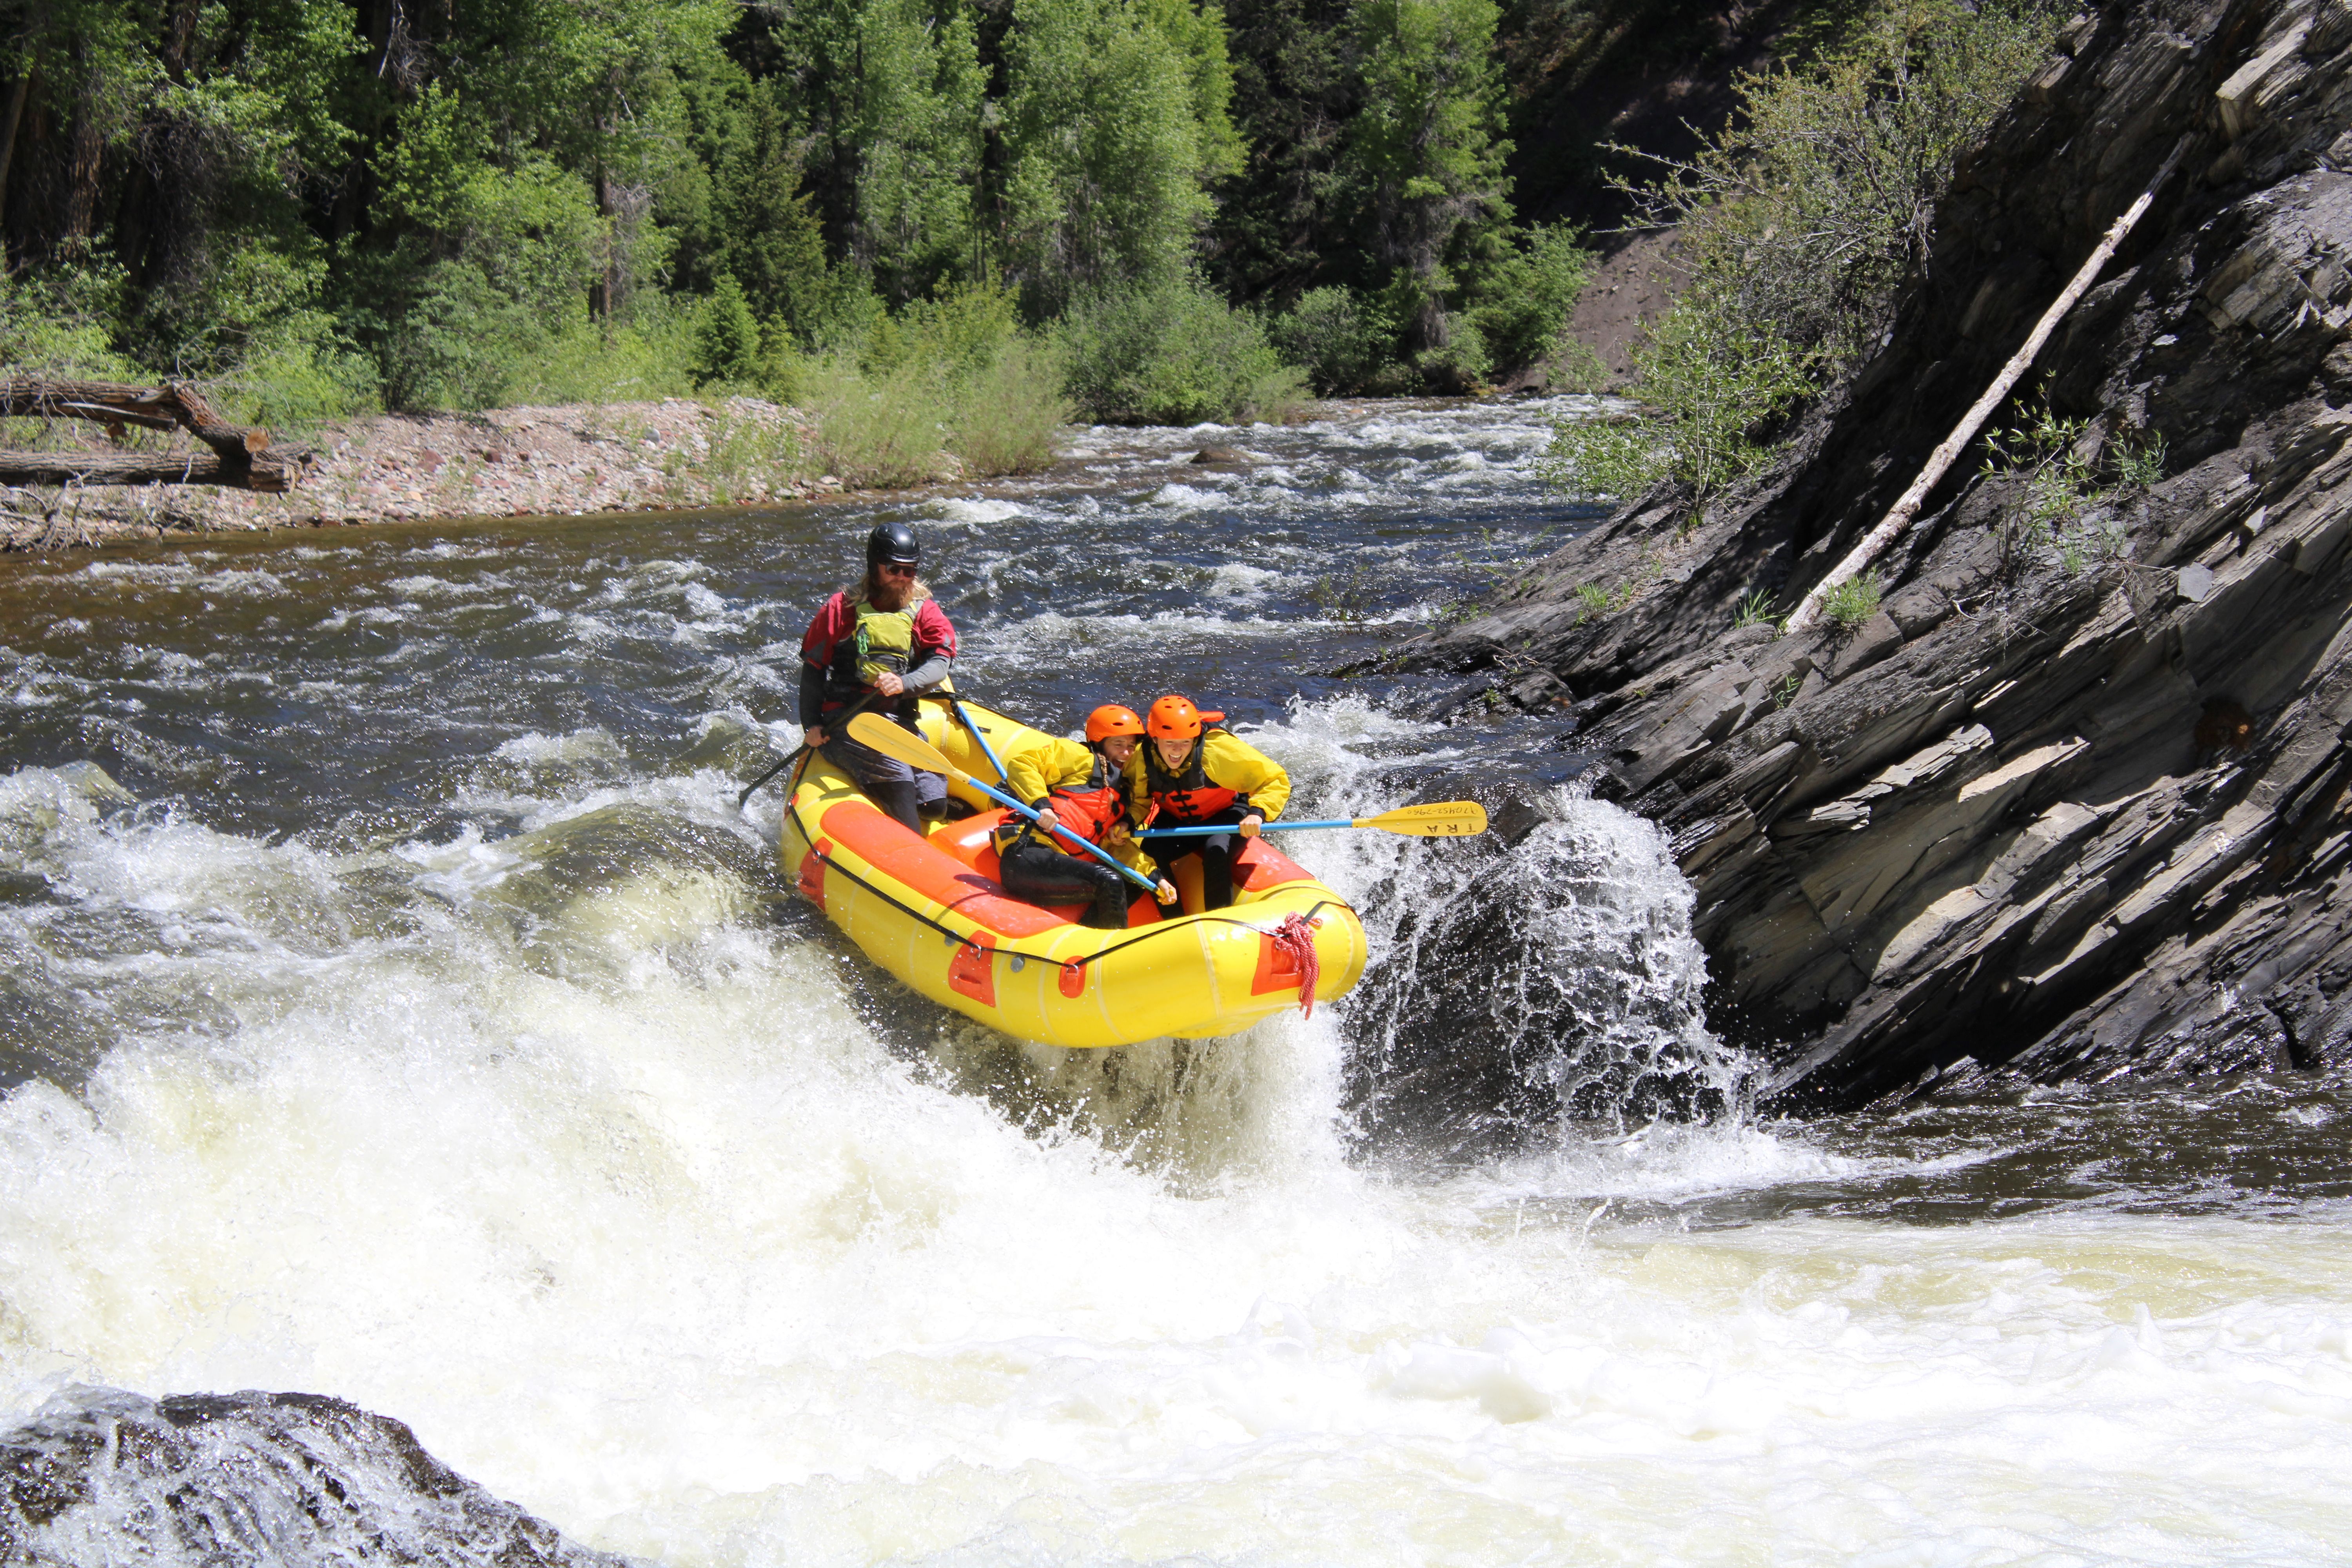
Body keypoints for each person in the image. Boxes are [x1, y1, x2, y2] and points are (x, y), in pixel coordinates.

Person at [799, 522, 957, 834]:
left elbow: (941, 661)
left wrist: (906, 683)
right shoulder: (841, 607)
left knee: (934, 806)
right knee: (899, 784)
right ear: (875, 567)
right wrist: (811, 725)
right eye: (893, 569)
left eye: (909, 571)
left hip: (897, 722)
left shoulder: (922, 609)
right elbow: (813, 667)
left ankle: (878, 797)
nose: (901, 578)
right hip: (847, 721)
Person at [993, 704, 1178, 929]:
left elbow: (1111, 847)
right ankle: (1106, 953)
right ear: (1099, 742)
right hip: (1028, 855)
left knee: (1137, 881)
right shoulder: (1079, 757)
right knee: (1109, 881)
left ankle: (1087, 935)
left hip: (1066, 864)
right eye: (1118, 744)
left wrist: (1156, 876)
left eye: (1131, 746)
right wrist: (1042, 805)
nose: (1126, 753)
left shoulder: (1123, 793)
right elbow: (1023, 765)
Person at [1125, 694, 1291, 913]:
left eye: (1185, 742)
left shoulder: (1217, 750)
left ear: (1194, 739)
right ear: (1155, 739)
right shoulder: (1141, 758)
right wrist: (1128, 821)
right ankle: (1175, 921)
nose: (1177, 751)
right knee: (1149, 853)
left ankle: (1220, 917)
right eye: (1170, 743)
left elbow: (1273, 779)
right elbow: (1138, 801)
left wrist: (1257, 813)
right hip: (1176, 820)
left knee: (1216, 850)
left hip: (1226, 815)